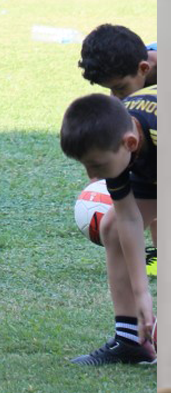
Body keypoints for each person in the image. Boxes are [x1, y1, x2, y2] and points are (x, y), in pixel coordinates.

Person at [60, 91, 158, 365]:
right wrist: (142, 294)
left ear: (129, 143)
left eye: (97, 165)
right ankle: (130, 340)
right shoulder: (117, 132)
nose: (92, 176)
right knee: (114, 227)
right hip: (150, 165)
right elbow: (129, 219)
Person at [78, 24, 158, 276]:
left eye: (120, 88)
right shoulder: (128, 74)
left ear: (144, 69)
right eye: (109, 89)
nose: (115, 96)